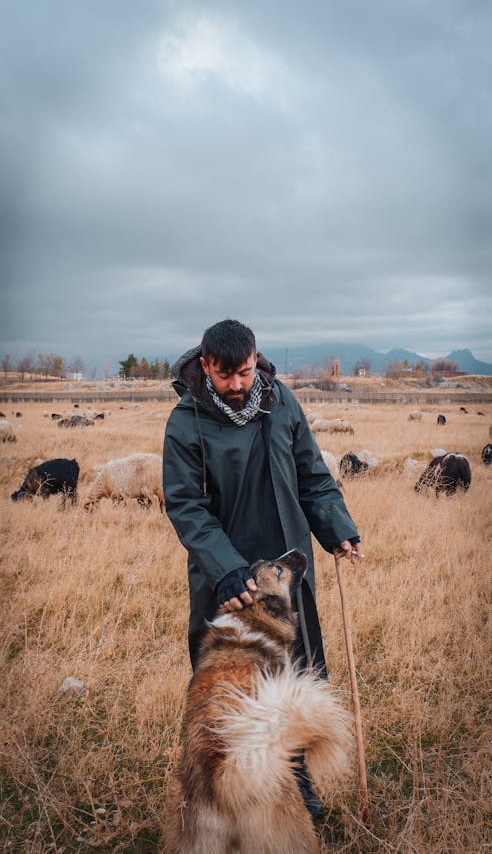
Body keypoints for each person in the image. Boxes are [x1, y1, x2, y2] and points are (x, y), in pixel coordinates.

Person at [162, 318, 364, 818]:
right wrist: (227, 569)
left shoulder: (281, 401)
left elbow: (313, 475)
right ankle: (231, 797)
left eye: (245, 373)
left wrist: (337, 526)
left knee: (295, 679)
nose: (237, 385)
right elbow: (187, 506)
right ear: (206, 365)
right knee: (234, 689)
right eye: (226, 375)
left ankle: (297, 787)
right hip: (227, 580)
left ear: (257, 361)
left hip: (289, 571)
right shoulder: (185, 423)